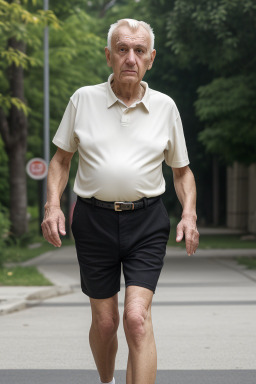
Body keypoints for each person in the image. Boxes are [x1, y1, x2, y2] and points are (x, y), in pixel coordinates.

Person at [41, 18, 199, 384]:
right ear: (108, 55)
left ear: (151, 58)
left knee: (136, 319)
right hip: (93, 220)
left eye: (139, 50)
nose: (131, 57)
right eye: (123, 50)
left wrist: (189, 214)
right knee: (106, 322)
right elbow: (60, 161)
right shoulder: (83, 99)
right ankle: (107, 381)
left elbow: (182, 172)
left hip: (146, 221)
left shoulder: (165, 107)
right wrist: (52, 206)